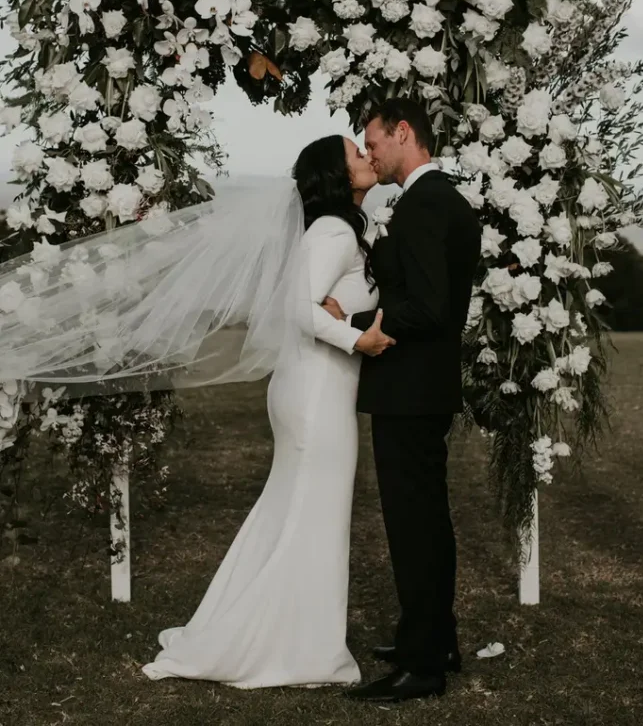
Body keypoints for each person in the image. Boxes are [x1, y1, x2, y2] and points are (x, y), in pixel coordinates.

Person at [139, 135, 395, 687]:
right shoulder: (333, 232)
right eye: (355, 153)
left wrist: (346, 316)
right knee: (314, 518)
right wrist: (359, 340)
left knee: (291, 513)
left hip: (314, 388)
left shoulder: (339, 230)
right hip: (317, 393)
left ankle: (269, 633)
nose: (366, 156)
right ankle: (299, 650)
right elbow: (301, 308)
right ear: (336, 174)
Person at [323, 99, 482, 704]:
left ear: (404, 132)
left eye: (374, 142)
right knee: (428, 520)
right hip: (425, 386)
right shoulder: (443, 201)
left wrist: (351, 321)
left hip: (409, 387)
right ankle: (436, 639)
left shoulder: (422, 205)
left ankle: (422, 665)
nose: (371, 154)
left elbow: (427, 308)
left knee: (413, 526)